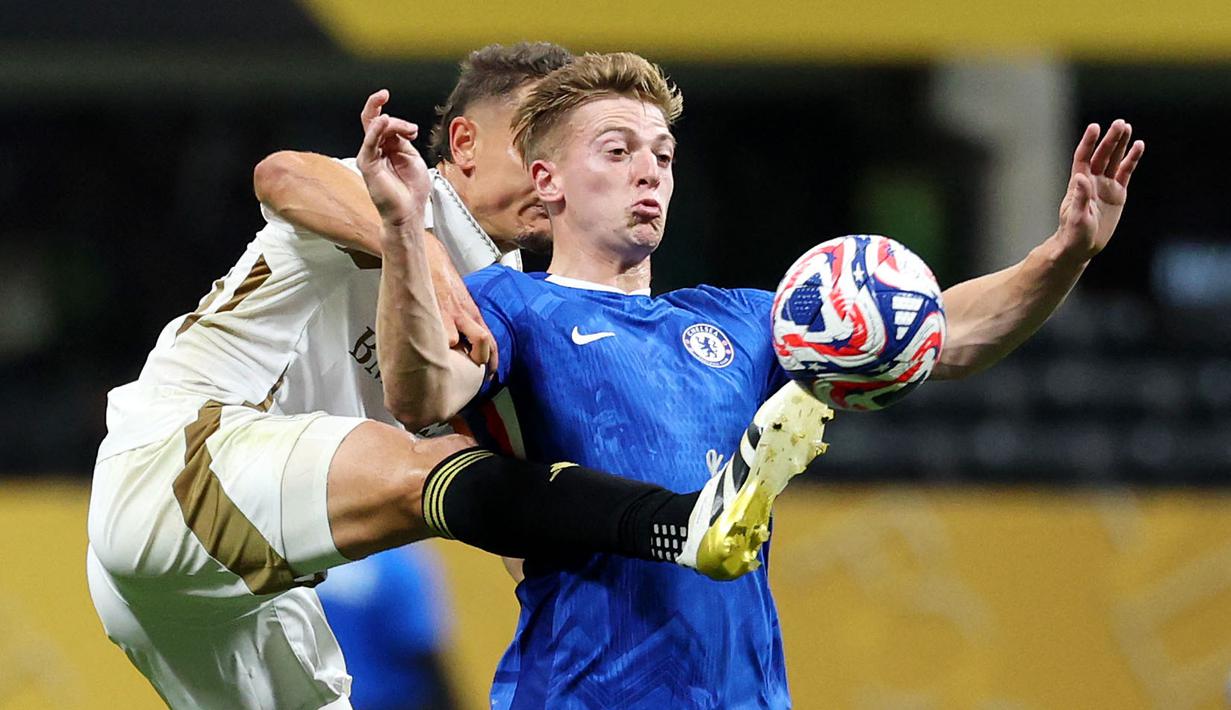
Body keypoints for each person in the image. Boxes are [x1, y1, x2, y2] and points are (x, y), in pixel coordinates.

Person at [356, 51, 1144, 707]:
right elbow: (419, 394)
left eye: (662, 155)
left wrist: (1064, 251)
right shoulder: (511, 303)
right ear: (548, 180)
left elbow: (948, 335)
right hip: (579, 691)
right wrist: (400, 228)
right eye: (617, 151)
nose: (648, 173)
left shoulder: (736, 320)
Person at [85, 44, 829, 710]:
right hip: (175, 466)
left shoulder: (513, 302)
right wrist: (420, 250)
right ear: (465, 143)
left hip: (240, 581)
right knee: (425, 467)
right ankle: (678, 520)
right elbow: (281, 174)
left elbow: (511, 486)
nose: (547, 165)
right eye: (532, 137)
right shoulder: (402, 196)